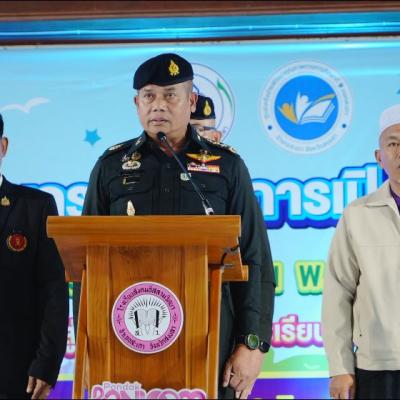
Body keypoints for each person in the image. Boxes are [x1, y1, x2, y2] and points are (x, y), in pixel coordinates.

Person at [78, 53, 275, 399]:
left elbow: (254, 259)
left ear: (191, 101)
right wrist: (89, 343)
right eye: (149, 95)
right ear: (137, 104)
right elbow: (84, 262)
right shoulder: (111, 167)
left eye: (170, 95)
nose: (159, 105)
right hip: (126, 338)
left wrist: (251, 344)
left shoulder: (227, 166)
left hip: (210, 337)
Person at [322, 103, 400, 399]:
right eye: (393, 144)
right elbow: (337, 292)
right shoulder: (358, 214)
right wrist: (340, 367)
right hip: (378, 366)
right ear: (379, 157)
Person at [0, 114, 68, 399]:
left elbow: (53, 291)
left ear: (3, 146)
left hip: (14, 371)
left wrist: (47, 362)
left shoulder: (36, 206)